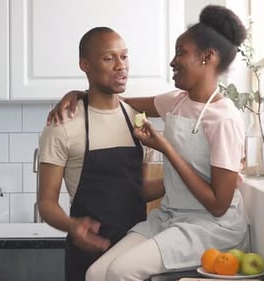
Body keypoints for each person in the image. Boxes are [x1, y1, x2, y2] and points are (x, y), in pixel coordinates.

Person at [50, 5, 249, 280]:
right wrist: (77, 93)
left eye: (181, 53)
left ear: (207, 57)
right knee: (95, 273)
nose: (172, 61)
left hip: (211, 226)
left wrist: (165, 146)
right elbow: (117, 101)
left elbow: (218, 205)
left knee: (121, 271)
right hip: (171, 217)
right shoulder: (177, 101)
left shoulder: (224, 119)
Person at [38, 26, 164, 281]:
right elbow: (46, 203)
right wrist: (72, 226)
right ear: (85, 65)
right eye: (109, 58)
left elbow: (138, 189)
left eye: (124, 56)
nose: (121, 66)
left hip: (135, 252)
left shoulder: (136, 120)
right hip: (87, 258)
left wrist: (179, 182)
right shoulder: (63, 124)